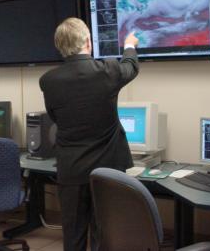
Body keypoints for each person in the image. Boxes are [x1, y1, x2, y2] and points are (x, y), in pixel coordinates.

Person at [39, 17, 139, 251]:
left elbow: (55, 117)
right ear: (88, 42)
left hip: (71, 169)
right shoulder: (107, 70)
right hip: (107, 170)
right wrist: (129, 45)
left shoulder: (48, 80)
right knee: (103, 232)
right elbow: (131, 67)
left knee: (72, 234)